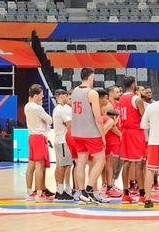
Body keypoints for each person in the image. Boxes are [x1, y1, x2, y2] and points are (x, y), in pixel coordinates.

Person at [70, 68, 106, 203]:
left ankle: (81, 192)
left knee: (81, 162)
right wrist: (102, 135)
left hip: (77, 132)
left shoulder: (74, 91)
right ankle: (90, 188)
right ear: (91, 77)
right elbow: (98, 117)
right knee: (100, 159)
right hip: (90, 132)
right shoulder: (92, 93)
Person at [118, 76, 147, 204]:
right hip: (135, 132)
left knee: (127, 163)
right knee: (139, 163)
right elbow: (144, 116)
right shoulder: (136, 99)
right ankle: (142, 195)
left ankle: (125, 194)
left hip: (125, 132)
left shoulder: (121, 98)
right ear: (134, 84)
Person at [24, 84, 55, 202]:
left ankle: (29, 192)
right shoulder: (37, 108)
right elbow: (50, 119)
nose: (42, 97)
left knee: (31, 165)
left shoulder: (27, 106)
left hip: (31, 136)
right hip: (39, 137)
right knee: (40, 166)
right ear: (36, 95)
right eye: (41, 95)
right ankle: (40, 194)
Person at [99, 89, 122, 198]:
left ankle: (106, 184)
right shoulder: (110, 120)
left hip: (108, 143)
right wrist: (121, 135)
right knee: (110, 165)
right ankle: (109, 186)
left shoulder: (103, 117)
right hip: (112, 143)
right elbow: (104, 130)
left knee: (106, 165)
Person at [52, 89, 74, 201]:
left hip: (60, 140)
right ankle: (60, 191)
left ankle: (60, 190)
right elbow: (70, 125)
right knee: (63, 166)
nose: (67, 98)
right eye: (66, 96)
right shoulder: (61, 109)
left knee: (63, 165)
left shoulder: (58, 109)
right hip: (62, 140)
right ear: (61, 96)